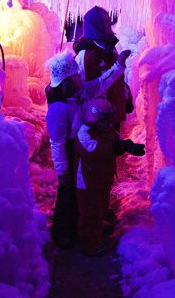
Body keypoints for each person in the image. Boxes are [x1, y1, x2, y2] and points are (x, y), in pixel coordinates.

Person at [44, 49, 130, 248]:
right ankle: (62, 232)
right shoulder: (58, 109)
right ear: (65, 81)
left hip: (81, 151)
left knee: (81, 190)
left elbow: (101, 82)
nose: (78, 76)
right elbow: (56, 142)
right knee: (67, 192)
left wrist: (119, 65)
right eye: (74, 75)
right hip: (69, 152)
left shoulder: (81, 91)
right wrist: (62, 170)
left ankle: (81, 225)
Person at [75, 98, 145, 256]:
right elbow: (94, 150)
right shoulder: (84, 134)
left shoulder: (107, 131)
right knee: (90, 212)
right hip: (87, 180)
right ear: (95, 119)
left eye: (109, 118)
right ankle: (90, 244)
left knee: (101, 205)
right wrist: (117, 147)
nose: (109, 122)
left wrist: (128, 146)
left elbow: (116, 142)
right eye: (105, 119)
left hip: (102, 177)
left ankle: (99, 228)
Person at [74, 6, 133, 132]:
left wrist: (126, 96)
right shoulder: (86, 55)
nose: (109, 24)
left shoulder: (109, 48)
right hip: (98, 119)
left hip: (114, 113)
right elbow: (86, 91)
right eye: (104, 21)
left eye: (108, 20)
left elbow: (117, 80)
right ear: (96, 25)